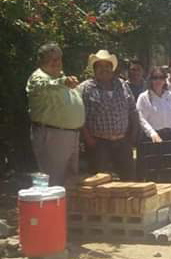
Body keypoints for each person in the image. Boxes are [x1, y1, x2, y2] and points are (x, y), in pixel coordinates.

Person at [26, 42, 84, 186]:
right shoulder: (38, 78)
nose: (56, 62)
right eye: (51, 59)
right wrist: (63, 82)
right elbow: (45, 86)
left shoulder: (63, 78)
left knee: (71, 181)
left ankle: (67, 208)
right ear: (41, 61)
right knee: (53, 182)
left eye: (58, 58)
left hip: (71, 135)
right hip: (52, 135)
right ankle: (50, 208)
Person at [80, 49, 138, 180]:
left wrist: (132, 136)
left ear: (112, 69)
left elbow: (133, 111)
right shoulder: (85, 88)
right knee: (99, 181)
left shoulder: (122, 85)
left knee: (128, 179)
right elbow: (79, 116)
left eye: (107, 66)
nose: (104, 69)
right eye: (100, 66)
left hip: (122, 141)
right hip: (98, 143)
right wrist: (88, 138)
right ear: (94, 69)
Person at [135, 67, 171, 175]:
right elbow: (140, 118)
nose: (158, 81)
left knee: (168, 170)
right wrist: (152, 133)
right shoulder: (144, 97)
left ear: (165, 80)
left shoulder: (170, 95)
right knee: (152, 171)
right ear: (150, 80)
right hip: (152, 139)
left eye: (161, 78)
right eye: (155, 78)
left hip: (170, 137)